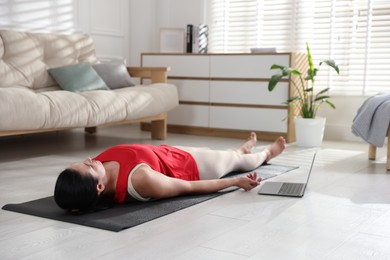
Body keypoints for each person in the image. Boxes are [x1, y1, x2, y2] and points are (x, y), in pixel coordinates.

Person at [54, 132, 286, 212]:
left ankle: (241, 148)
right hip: (193, 167)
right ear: (99, 187)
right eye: (86, 166)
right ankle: (266, 154)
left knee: (228, 154)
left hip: (170, 152)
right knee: (238, 161)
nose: (88, 159)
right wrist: (235, 182)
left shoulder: (98, 168)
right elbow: (187, 187)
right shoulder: (140, 180)